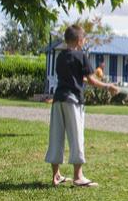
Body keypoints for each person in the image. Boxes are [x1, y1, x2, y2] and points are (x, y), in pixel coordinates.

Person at [45, 25, 119, 187]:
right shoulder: (81, 56)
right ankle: (78, 177)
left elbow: (74, 77)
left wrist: (88, 80)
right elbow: (91, 80)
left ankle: (56, 175)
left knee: (56, 136)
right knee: (76, 136)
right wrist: (108, 86)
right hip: (73, 101)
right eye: (84, 39)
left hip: (58, 100)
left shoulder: (60, 57)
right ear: (80, 40)